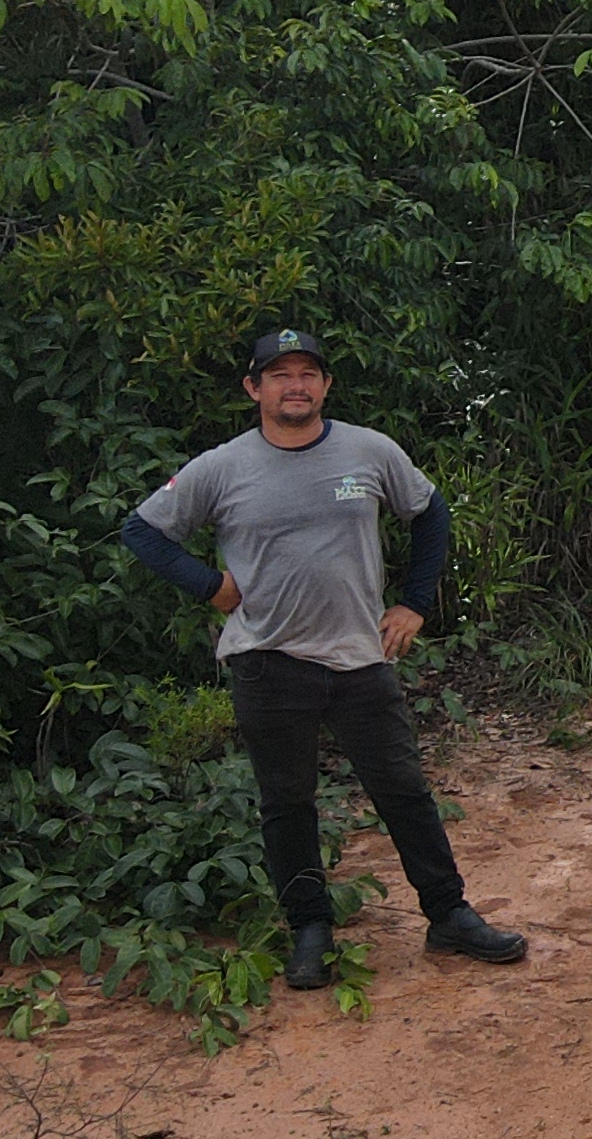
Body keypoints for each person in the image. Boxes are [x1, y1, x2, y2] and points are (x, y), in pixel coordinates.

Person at [121, 327, 530, 989]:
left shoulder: (368, 451)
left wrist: (415, 603)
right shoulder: (222, 468)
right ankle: (309, 927)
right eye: (279, 374)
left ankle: (448, 914)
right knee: (287, 802)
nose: (296, 386)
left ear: (326, 385)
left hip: (359, 656)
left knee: (404, 792)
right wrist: (209, 584)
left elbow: (430, 513)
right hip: (267, 658)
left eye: (308, 373)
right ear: (254, 388)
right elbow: (142, 530)